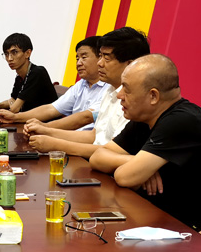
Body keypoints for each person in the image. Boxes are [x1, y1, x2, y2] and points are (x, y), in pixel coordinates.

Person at [90, 54, 201, 230]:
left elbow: (124, 177)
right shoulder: (145, 116)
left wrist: (134, 167)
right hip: (171, 215)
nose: (119, 95)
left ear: (153, 96)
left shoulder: (182, 120)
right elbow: (97, 157)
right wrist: (133, 161)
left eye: (126, 89)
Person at [23, 26, 150, 158]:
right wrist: (45, 131)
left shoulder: (136, 101)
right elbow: (94, 135)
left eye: (106, 58)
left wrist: (55, 144)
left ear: (130, 65)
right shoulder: (110, 90)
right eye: (100, 56)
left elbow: (112, 150)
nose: (99, 63)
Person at [0, 36, 105, 129]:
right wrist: (12, 116)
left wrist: (44, 127)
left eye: (84, 57)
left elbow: (85, 117)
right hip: (67, 134)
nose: (78, 63)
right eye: (77, 58)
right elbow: (51, 108)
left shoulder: (110, 88)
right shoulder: (81, 84)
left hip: (85, 141)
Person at [0, 33, 56, 113]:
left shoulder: (37, 72)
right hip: (30, 119)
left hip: (47, 120)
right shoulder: (19, 76)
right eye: (6, 54)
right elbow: (13, 100)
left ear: (27, 53)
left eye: (14, 52)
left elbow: (15, 109)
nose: (9, 58)